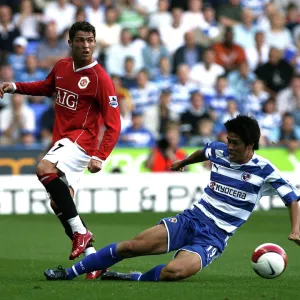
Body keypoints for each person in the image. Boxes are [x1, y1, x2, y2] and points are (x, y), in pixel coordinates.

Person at [44, 115, 300, 282]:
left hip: (215, 236)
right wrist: (184, 161)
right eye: (228, 141)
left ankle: (130, 277)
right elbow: (205, 151)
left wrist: (295, 230)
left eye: (235, 143)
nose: (229, 146)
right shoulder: (220, 150)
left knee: (174, 272)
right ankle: (68, 273)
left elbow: (292, 198)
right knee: (133, 246)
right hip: (192, 218)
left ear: (250, 145)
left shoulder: (265, 171)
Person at [0, 21, 121, 280]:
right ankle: (94, 260)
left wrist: (101, 155)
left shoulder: (101, 79)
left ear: (95, 42)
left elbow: (114, 123)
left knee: (44, 168)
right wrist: (14, 87)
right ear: (71, 43)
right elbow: (46, 87)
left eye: (90, 40)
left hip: (81, 141)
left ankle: (80, 233)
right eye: (80, 40)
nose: (86, 45)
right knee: (59, 202)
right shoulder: (62, 67)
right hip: (64, 140)